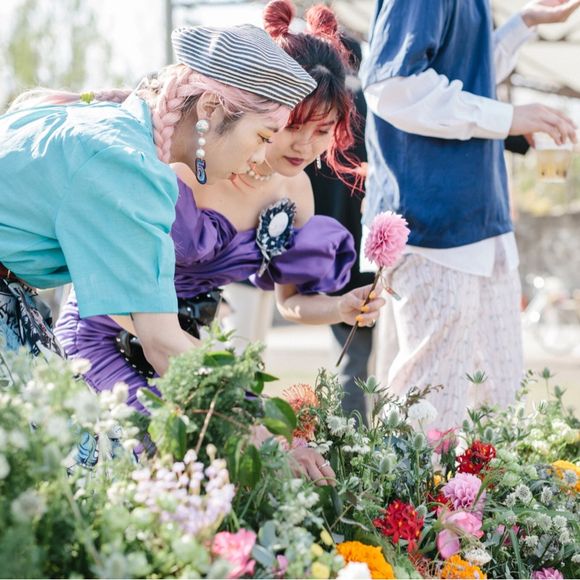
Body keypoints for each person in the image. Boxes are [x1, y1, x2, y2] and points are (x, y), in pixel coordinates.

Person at [55, 1, 385, 484]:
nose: (305, 146)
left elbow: (290, 303)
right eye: (294, 126)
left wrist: (340, 307)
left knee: (240, 481)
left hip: (187, 353)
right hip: (108, 336)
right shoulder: (181, 162)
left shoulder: (295, 193)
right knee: (152, 477)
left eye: (322, 132)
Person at [0, 23, 316, 376]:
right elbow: (162, 343)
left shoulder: (113, 130)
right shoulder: (128, 165)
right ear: (210, 108)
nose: (259, 158)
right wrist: (245, 398)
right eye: (261, 137)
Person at [360, 0, 579, 429]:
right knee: (427, 407)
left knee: (496, 403)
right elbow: (392, 86)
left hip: (481, 224)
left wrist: (523, 23)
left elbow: (466, 76)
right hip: (433, 226)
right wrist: (507, 116)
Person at [306, 32, 373, 424]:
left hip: (329, 253)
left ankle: (353, 440)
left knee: (352, 358)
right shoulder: (373, 109)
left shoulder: (315, 108)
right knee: (381, 356)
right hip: (374, 249)